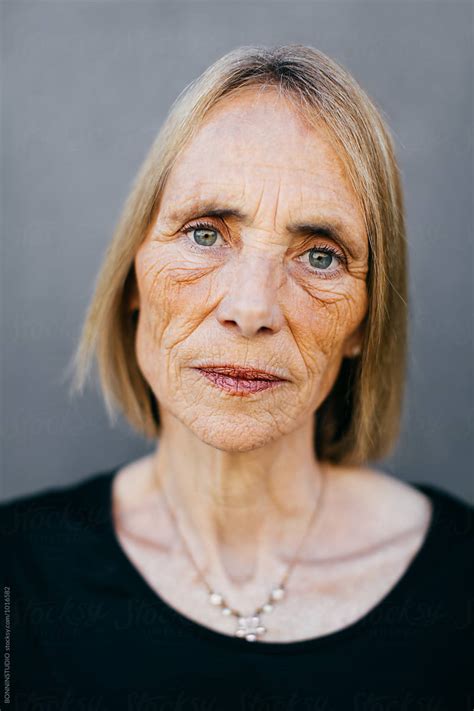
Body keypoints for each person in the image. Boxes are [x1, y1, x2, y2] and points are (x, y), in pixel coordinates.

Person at [1, 45, 472, 711]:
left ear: (366, 320)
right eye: (204, 234)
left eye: (319, 254)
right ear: (134, 275)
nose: (251, 308)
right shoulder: (17, 575)